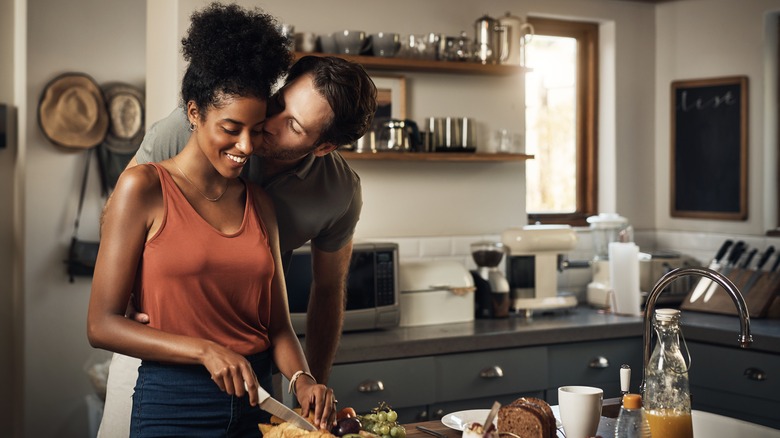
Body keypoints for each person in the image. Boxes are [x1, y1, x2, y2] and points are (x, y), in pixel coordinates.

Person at [97, 15, 378, 438]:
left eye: (293, 126)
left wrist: (307, 380)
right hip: (161, 356)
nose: (261, 130)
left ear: (323, 147)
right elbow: (122, 215)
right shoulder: (191, 126)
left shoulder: (330, 194)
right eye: (280, 103)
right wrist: (130, 288)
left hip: (253, 378)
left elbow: (323, 292)